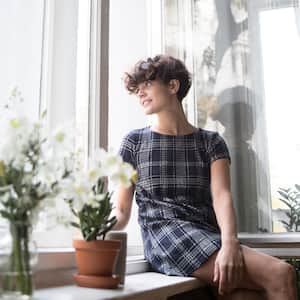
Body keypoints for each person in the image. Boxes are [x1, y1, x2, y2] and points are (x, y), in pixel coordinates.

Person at [112, 54, 297, 299]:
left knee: (246, 297)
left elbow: (222, 196)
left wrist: (230, 244)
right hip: (166, 237)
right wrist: (89, 229)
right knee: (282, 274)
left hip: (208, 236)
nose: (140, 93)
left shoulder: (211, 142)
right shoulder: (134, 142)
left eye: (147, 84)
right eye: (137, 88)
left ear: (173, 86)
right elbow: (122, 211)